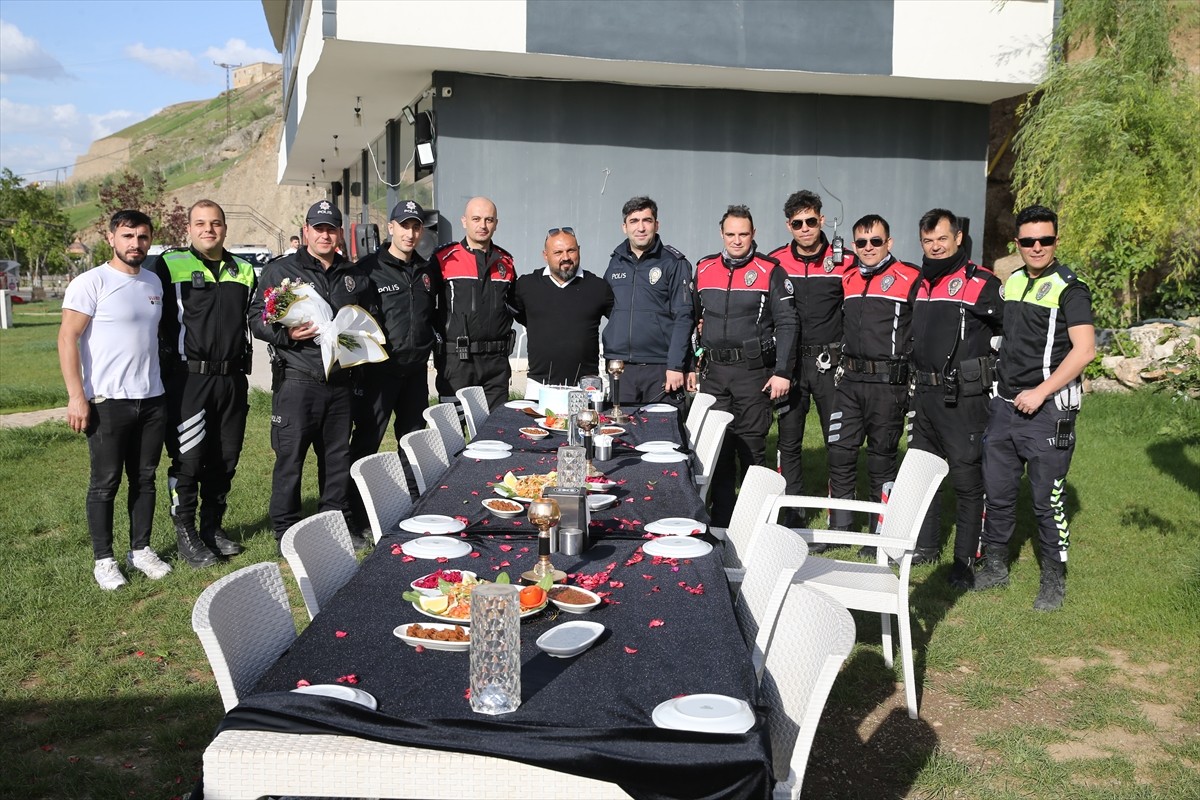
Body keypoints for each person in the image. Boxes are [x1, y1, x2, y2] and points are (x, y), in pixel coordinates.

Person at [977, 205, 1095, 610]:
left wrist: (1042, 391)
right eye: (1028, 241)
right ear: (1018, 244)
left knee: (1048, 500)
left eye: (1045, 239)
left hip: (1046, 411)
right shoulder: (1011, 282)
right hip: (1004, 408)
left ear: (1056, 241)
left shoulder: (1071, 288)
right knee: (999, 492)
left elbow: (1084, 351)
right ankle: (994, 566)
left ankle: (1053, 578)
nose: (1037, 247)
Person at [248, 200, 378, 551]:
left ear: (339, 233)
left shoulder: (354, 276)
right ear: (305, 230)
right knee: (290, 458)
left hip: (339, 382)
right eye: (318, 228)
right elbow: (257, 318)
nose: (324, 234)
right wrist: (285, 335)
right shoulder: (282, 272)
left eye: (331, 228)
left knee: (337, 458)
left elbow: (365, 321)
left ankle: (334, 522)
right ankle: (285, 530)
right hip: (297, 379)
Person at [58, 210, 172, 590]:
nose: (135, 244)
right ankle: (104, 560)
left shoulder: (154, 281)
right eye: (127, 236)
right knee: (105, 482)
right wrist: (77, 396)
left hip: (152, 398)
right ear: (111, 238)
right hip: (108, 401)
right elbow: (67, 338)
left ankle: (140, 550)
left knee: (145, 479)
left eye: (142, 237)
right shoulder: (91, 282)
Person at [153, 200, 255, 568]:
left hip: (231, 379)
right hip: (188, 380)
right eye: (200, 223)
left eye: (215, 223)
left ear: (225, 228)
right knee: (189, 459)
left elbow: (256, 317)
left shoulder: (243, 270)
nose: (208, 229)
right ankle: (187, 535)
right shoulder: (169, 264)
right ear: (189, 228)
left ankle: (213, 528)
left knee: (225, 459)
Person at [910, 208, 1003, 588]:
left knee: (966, 482)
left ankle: (965, 561)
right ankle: (926, 548)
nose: (935, 247)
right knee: (925, 478)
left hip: (963, 399)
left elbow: (1009, 334)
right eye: (928, 241)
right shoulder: (920, 282)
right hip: (926, 396)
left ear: (958, 238)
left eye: (942, 240)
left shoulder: (982, 283)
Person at [688, 205, 798, 526]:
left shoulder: (770, 270)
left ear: (754, 234)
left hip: (753, 375)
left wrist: (782, 372)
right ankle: (722, 523)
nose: (737, 240)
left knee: (752, 452)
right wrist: (688, 364)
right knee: (718, 451)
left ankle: (753, 523)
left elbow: (788, 323)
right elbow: (690, 317)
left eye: (744, 234)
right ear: (722, 234)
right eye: (731, 234)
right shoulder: (705, 268)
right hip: (714, 375)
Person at [825, 215, 921, 543]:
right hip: (850, 382)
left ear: (889, 243)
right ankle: (840, 529)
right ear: (853, 246)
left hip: (888, 385)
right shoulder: (848, 277)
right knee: (839, 451)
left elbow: (923, 329)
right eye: (862, 243)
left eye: (876, 241)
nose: (869, 248)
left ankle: (880, 535)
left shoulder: (909, 277)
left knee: (881, 460)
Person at [348, 200, 441, 523]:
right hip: (378, 372)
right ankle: (357, 511)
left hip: (415, 370)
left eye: (416, 226)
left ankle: (411, 503)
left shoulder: (428, 268)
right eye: (404, 225)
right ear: (391, 227)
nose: (411, 233)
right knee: (366, 440)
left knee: (412, 438)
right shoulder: (368, 268)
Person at [768, 190, 854, 506]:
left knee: (838, 442)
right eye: (798, 223)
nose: (805, 228)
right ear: (789, 225)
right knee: (789, 442)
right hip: (790, 366)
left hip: (831, 365)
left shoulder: (845, 261)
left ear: (822, 219)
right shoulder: (775, 262)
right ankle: (792, 513)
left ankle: (840, 512)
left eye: (811, 221)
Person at [601, 197, 694, 409]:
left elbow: (684, 318)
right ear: (624, 227)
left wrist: (676, 366)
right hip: (620, 368)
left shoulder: (673, 262)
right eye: (634, 221)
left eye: (647, 220)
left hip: (660, 368)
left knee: (662, 435)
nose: (640, 227)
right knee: (621, 434)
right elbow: (611, 310)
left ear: (656, 224)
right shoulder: (616, 262)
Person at [433, 197, 516, 410]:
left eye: (489, 220)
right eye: (476, 219)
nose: (483, 225)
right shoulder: (444, 259)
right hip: (457, 362)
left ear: (496, 223)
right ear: (464, 221)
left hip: (496, 364)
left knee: (494, 434)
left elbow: (516, 305)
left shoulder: (505, 262)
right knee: (452, 435)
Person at [513, 227, 614, 388]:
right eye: (558, 252)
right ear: (545, 255)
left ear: (579, 250)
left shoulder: (599, 287)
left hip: (586, 386)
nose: (566, 257)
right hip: (539, 385)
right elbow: (520, 316)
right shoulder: (526, 285)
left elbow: (618, 323)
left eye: (571, 250)